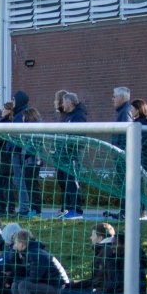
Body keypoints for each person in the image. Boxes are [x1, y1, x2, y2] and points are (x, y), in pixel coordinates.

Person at [9, 229, 71, 294]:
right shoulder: (28, 253)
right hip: (48, 286)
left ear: (22, 244)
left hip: (59, 288)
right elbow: (19, 272)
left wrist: (21, 281)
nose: (14, 246)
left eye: (15, 243)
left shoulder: (35, 253)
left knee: (23, 286)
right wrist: (14, 253)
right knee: (15, 285)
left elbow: (34, 277)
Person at [54, 92, 87, 220]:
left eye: (64, 102)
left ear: (70, 103)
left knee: (73, 182)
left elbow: (78, 137)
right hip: (63, 156)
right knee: (64, 182)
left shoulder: (79, 116)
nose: (62, 104)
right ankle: (67, 208)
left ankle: (77, 210)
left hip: (72, 156)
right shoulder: (67, 116)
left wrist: (68, 149)